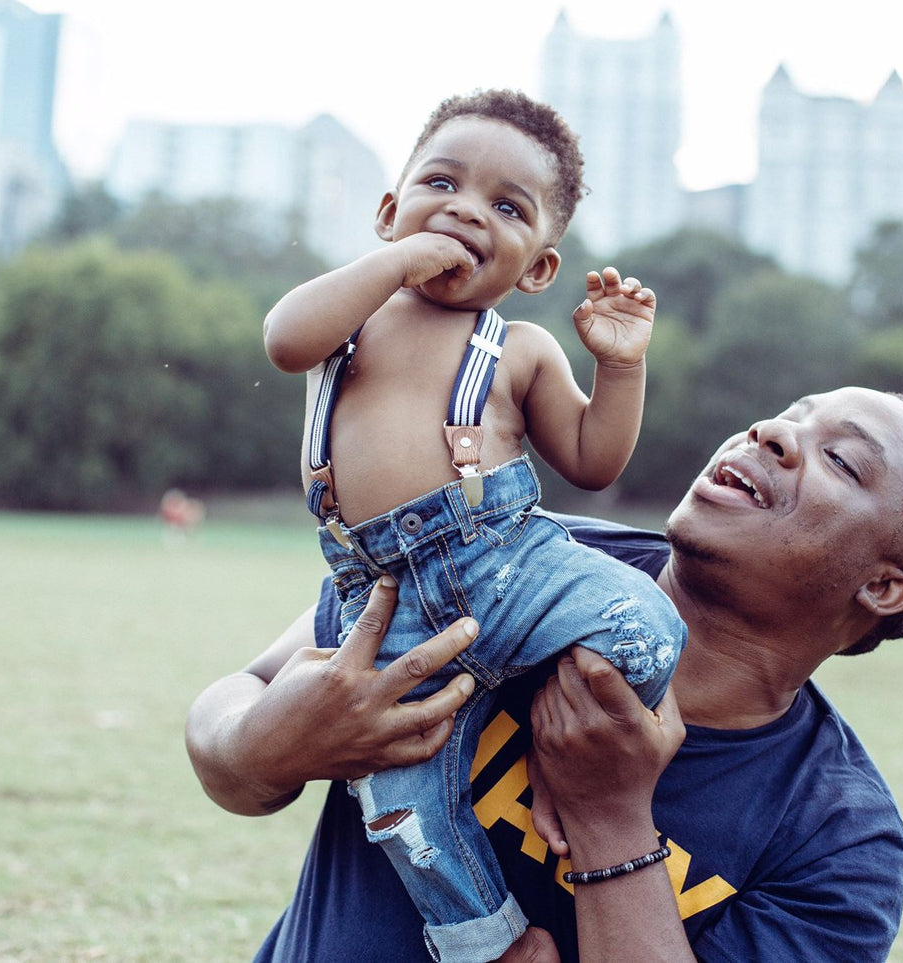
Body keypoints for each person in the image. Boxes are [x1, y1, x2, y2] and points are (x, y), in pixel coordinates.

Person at [186, 386, 903, 961]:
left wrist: (609, 818)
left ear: (882, 587)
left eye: (841, 460)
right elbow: (234, 705)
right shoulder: (510, 552)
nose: (771, 433)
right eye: (790, 414)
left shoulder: (838, 842)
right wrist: (263, 747)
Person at [259, 89, 685, 961]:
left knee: (645, 622)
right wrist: (396, 264)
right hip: (383, 599)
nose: (463, 210)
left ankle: (566, 777)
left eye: (504, 206)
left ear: (535, 267)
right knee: (405, 806)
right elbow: (281, 338)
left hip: (504, 562)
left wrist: (620, 367)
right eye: (440, 184)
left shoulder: (520, 347)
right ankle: (486, 941)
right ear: (388, 212)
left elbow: (593, 461)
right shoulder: (348, 321)